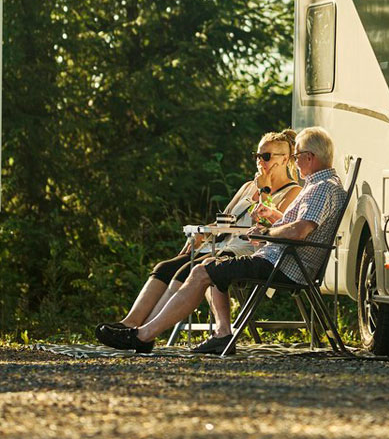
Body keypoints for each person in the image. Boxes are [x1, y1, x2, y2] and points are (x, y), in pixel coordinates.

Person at [98, 126, 344, 356]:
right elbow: (298, 226)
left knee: (202, 271)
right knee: (212, 267)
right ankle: (221, 334)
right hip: (279, 259)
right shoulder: (322, 184)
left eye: (298, 156)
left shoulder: (320, 187)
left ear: (310, 157)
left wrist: (266, 233)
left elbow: (300, 231)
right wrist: (274, 219)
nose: (296, 162)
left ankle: (143, 335)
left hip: (283, 264)